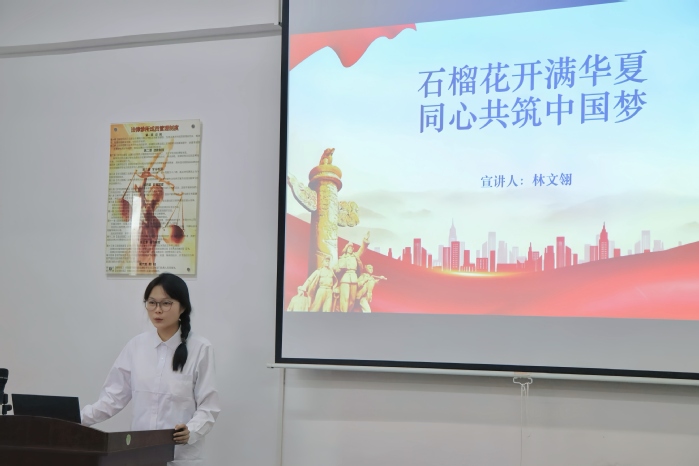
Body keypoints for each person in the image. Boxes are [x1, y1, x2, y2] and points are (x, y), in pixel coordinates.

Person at [81, 273, 220, 466]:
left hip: (181, 457)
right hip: (140, 454)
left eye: (166, 303)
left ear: (183, 307)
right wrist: (76, 419)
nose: (158, 310)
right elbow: (112, 398)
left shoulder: (200, 349)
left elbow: (209, 406)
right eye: (152, 303)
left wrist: (192, 430)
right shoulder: (136, 346)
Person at [334, 232, 370, 313]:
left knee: (352, 300)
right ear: (346, 249)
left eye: (351, 248)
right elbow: (335, 268)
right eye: (349, 247)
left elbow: (362, 249)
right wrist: (337, 269)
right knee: (345, 298)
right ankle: (343, 313)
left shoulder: (355, 256)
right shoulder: (342, 258)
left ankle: (348, 313)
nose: (350, 249)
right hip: (345, 279)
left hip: (354, 279)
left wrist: (365, 240)